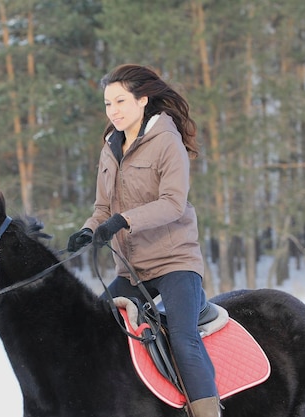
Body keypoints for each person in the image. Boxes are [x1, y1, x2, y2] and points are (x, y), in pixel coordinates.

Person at [67, 64, 220, 417]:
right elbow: (103, 207)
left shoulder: (168, 142)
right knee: (91, 333)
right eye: (108, 104)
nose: (114, 111)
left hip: (174, 263)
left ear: (142, 100)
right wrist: (89, 230)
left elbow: (172, 203)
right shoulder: (110, 148)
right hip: (131, 271)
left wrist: (124, 221)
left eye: (120, 101)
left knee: (183, 340)